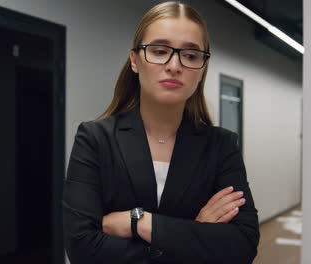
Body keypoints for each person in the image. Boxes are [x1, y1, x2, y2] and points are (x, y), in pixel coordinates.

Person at [62, 1, 260, 263]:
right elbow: (82, 248)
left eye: (190, 55)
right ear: (135, 61)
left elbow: (242, 245)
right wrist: (195, 232)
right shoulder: (95, 139)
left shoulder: (221, 145)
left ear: (202, 69)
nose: (174, 65)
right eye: (158, 51)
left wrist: (141, 223)